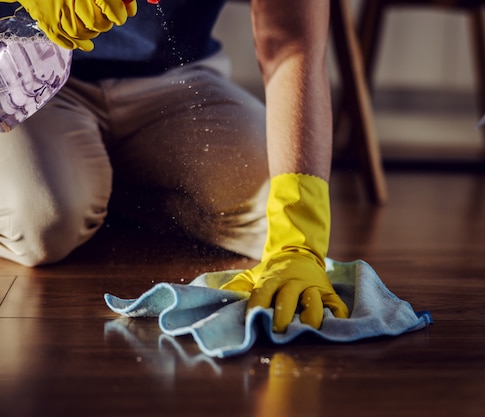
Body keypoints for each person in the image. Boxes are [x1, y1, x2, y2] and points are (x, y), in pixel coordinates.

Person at [0, 0, 348, 332]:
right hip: (27, 72)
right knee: (42, 223)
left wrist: (296, 241)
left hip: (177, 80)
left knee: (271, 215)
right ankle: (88, 188)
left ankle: (100, 187)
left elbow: (291, 38)